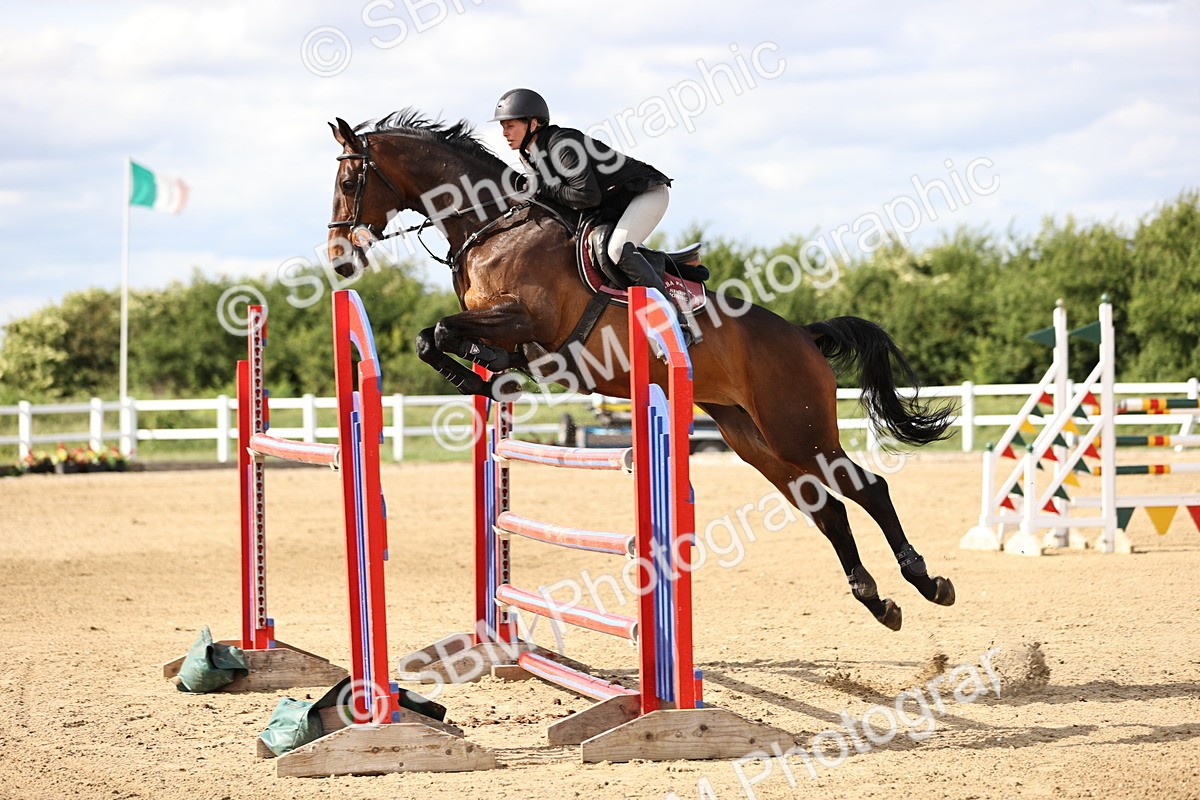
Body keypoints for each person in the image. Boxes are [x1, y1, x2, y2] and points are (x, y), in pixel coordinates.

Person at [491, 88, 701, 345]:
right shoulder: (528, 155)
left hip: (645, 194)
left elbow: (586, 196)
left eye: (510, 126)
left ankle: (675, 319)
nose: (504, 133)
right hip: (610, 206)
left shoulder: (561, 146)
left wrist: (542, 187)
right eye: (503, 126)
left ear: (533, 123)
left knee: (616, 250)